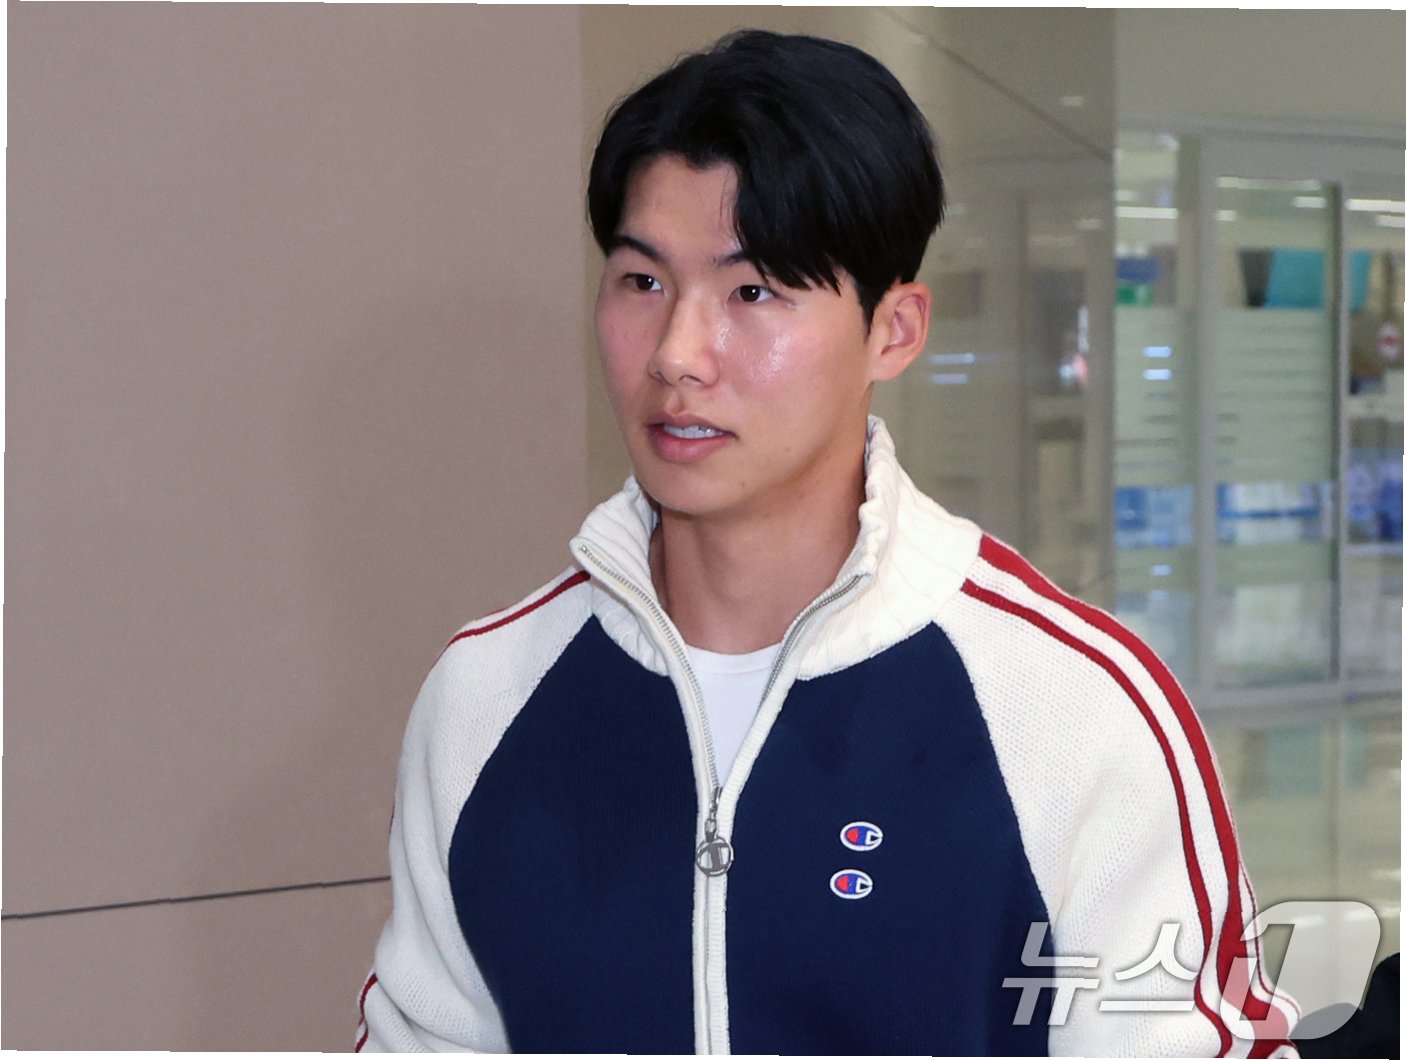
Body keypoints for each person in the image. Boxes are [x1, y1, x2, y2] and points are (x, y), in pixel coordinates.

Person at [356, 29, 1299, 1056]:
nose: (677, 355)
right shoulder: (487, 696)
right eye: (642, 281)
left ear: (894, 330)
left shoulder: (1070, 710)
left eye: (753, 291)